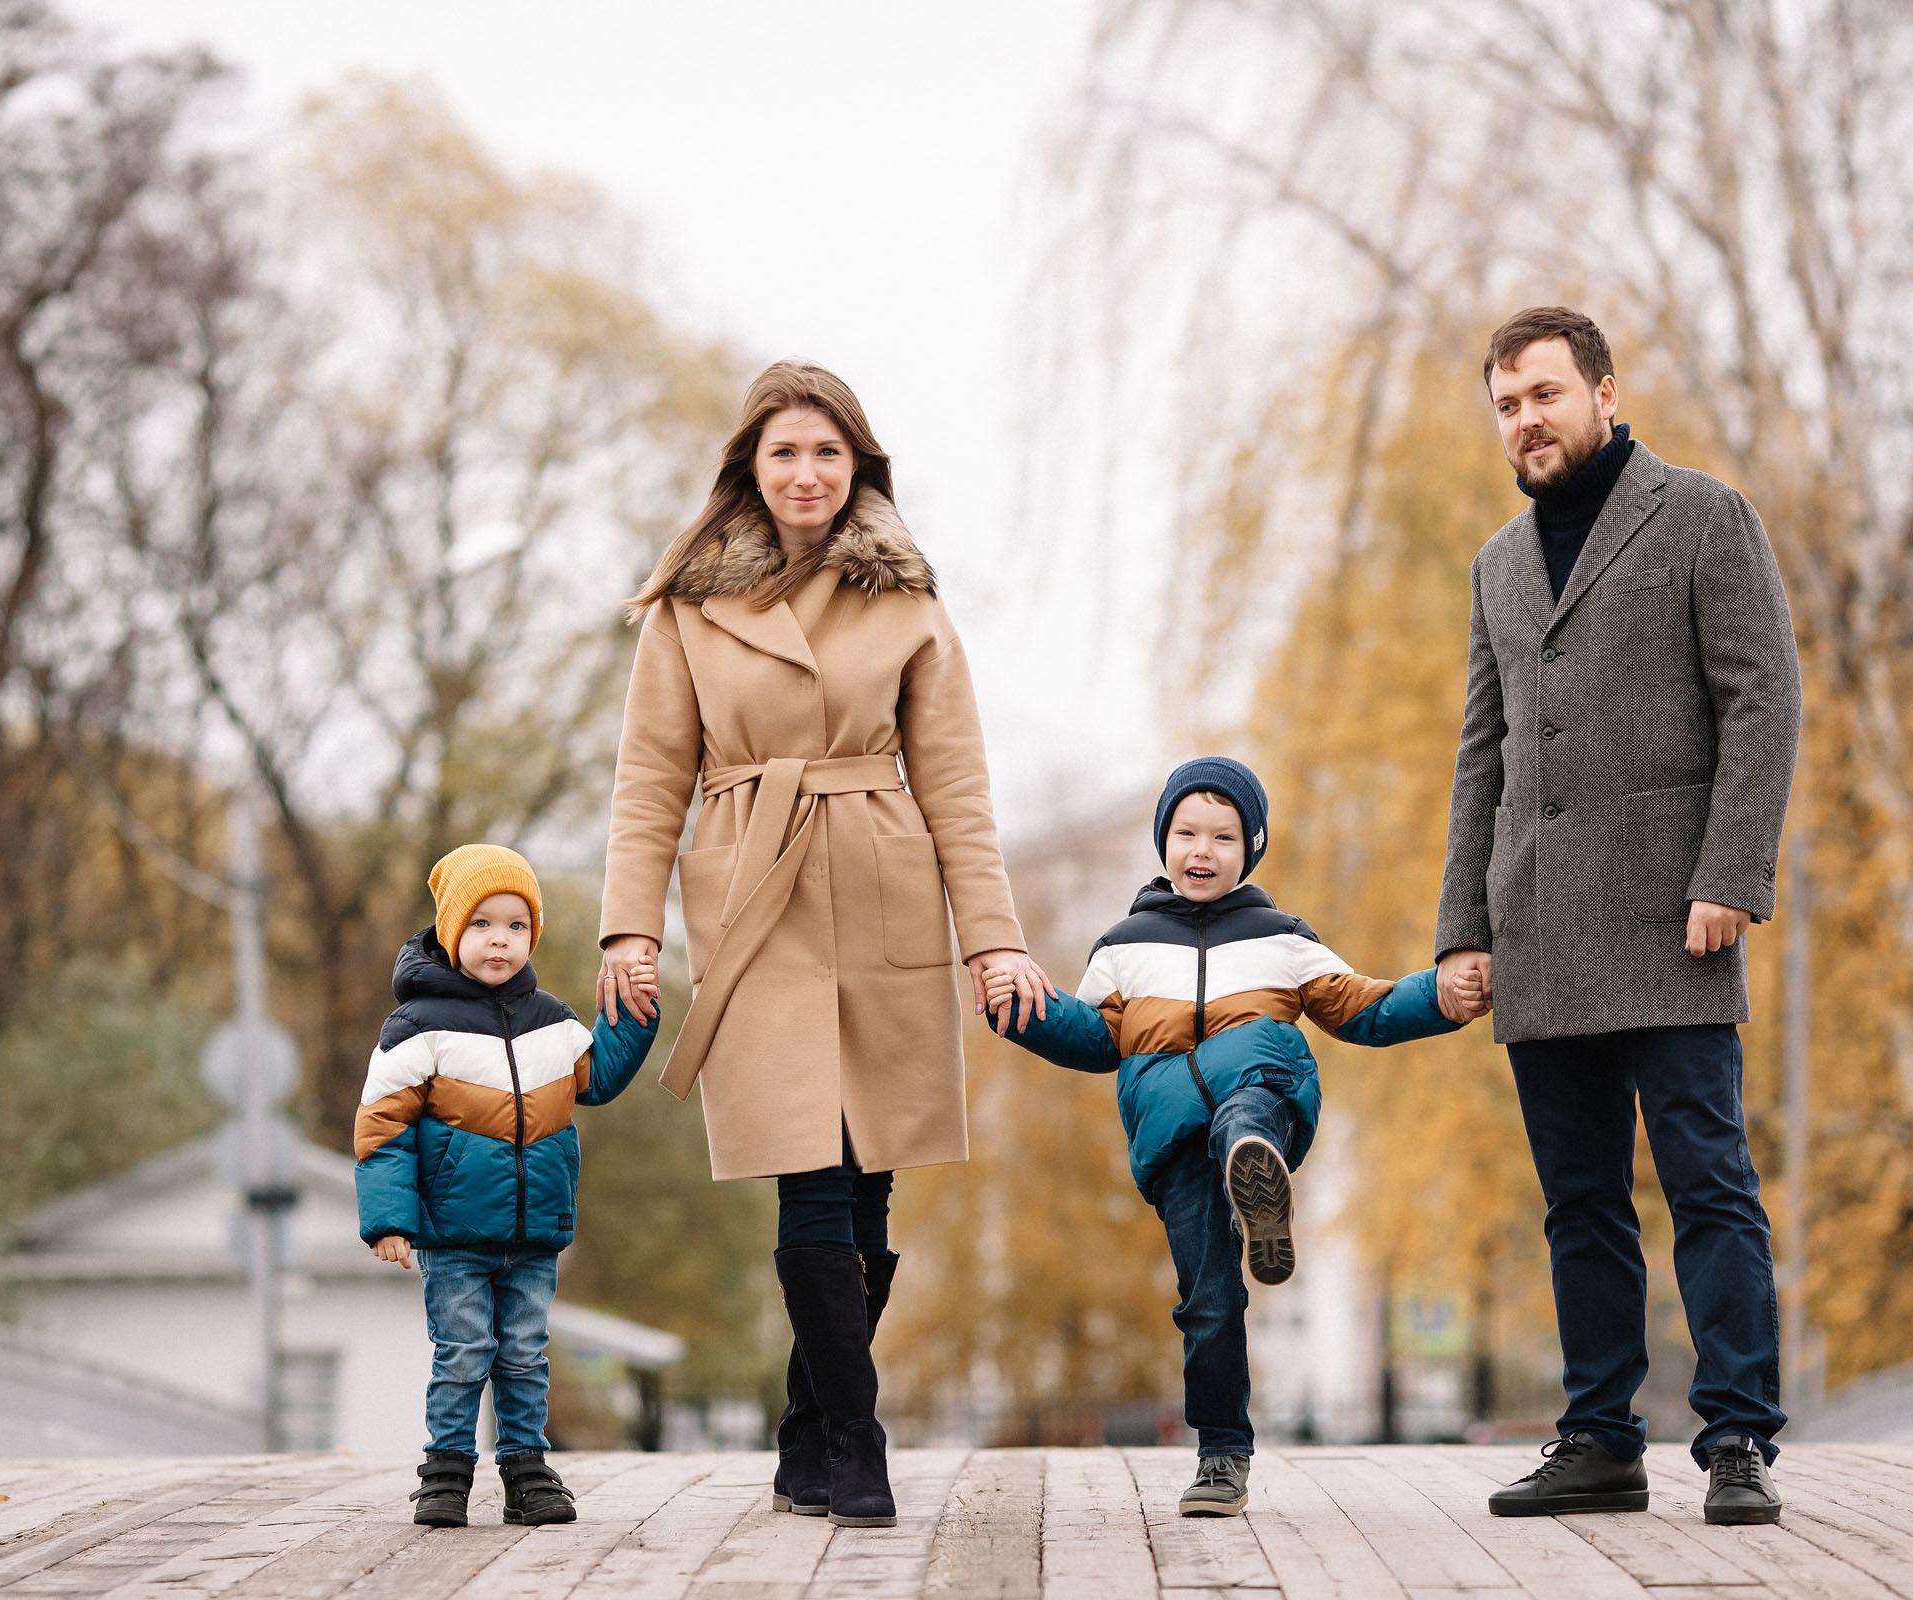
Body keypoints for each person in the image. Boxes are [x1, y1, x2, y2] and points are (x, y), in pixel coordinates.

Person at [595, 361, 1051, 1530]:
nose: (807, 473)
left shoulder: (907, 601)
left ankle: (806, 1424)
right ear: (750, 464)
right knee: (810, 1165)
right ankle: (857, 1438)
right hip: (758, 895)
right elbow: (650, 778)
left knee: (872, 1183)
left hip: (887, 876)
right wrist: (630, 927)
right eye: (785, 451)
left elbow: (957, 781)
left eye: (828, 453)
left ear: (860, 469)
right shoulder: (689, 607)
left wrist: (991, 942)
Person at [1434, 306, 1802, 1525]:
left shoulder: (1701, 516)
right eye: (1506, 404)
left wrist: (1732, 874)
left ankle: (1739, 1434)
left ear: (1602, 389)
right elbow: (1480, 757)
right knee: (1578, 1200)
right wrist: (1461, 932)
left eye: (1543, 393)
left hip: (1672, 914)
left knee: (1709, 1183)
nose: (1525, 419)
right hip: (1537, 926)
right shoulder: (1496, 563)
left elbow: (1763, 701)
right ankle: (1599, 1437)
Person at [984, 757, 1471, 1517]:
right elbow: (1093, 1036)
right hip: (1173, 1131)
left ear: (1252, 847)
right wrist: (1024, 1011)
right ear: (1164, 842)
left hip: (1260, 1096)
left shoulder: (1283, 938)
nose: (1201, 850)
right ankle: (1220, 1456)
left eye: (1223, 835)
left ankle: (1256, 1175)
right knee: (1207, 1300)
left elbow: (1364, 1009)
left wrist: (1439, 995)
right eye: (1186, 833)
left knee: (1245, 1108)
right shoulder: (1123, 946)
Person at [353, 843, 660, 1529]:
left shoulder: (551, 1020)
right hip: (454, 1234)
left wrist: (633, 1014)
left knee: (524, 1354)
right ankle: (446, 1475)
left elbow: (598, 1078)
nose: (501, 939)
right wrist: (389, 1220)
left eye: (517, 926)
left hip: (532, 1234)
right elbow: (383, 1129)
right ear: (453, 930)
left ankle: (527, 1472)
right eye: (484, 923)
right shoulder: (417, 1027)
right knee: (464, 1352)